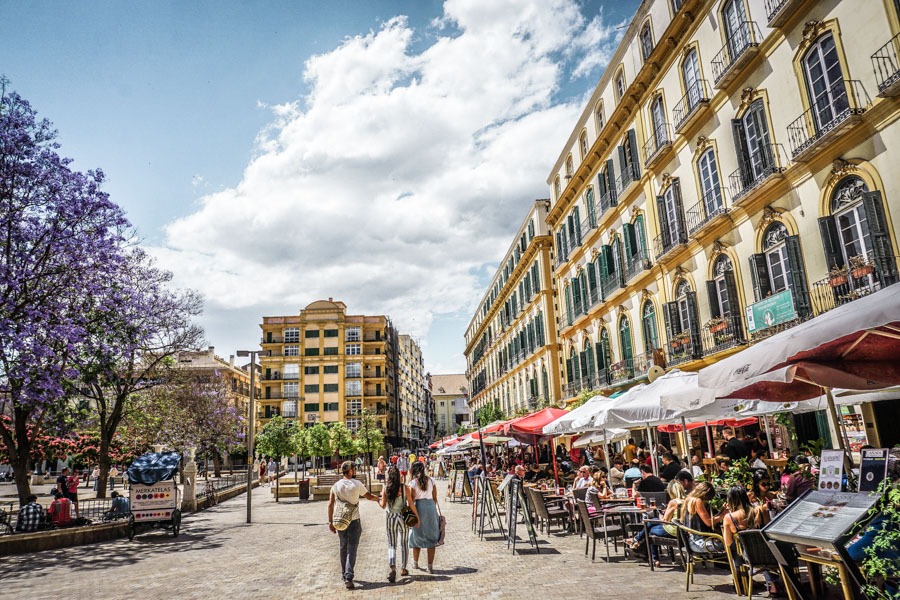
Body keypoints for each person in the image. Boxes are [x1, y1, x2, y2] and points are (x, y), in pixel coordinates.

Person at [328, 460, 379, 590]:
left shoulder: (336, 485)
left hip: (340, 521)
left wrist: (330, 522)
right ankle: (349, 576)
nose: (356, 471)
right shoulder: (357, 484)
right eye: (354, 469)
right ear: (350, 471)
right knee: (352, 548)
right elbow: (368, 496)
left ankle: (344, 574)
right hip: (354, 520)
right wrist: (378, 498)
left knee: (343, 547)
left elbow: (330, 504)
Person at [723, 486, 778, 595]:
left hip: (749, 557)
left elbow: (728, 542)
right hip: (769, 554)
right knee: (762, 550)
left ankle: (741, 582)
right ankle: (773, 584)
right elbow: (767, 531)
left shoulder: (729, 517)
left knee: (736, 550)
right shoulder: (759, 511)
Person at [629, 478, 689, 566]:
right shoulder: (687, 501)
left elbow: (665, 521)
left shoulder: (673, 502)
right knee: (652, 524)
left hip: (673, 530)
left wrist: (661, 514)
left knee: (650, 529)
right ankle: (636, 541)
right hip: (684, 530)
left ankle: (653, 558)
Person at [407, 461, 440, 574]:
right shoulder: (431, 481)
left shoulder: (412, 483)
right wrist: (430, 508)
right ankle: (430, 566)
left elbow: (411, 500)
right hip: (430, 508)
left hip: (418, 509)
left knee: (417, 536)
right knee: (432, 537)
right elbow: (435, 498)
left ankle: (415, 563)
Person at [379, 466, 409, 583]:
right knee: (404, 542)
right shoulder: (404, 488)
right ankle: (404, 568)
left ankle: (392, 567)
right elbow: (410, 502)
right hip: (402, 516)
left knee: (392, 544)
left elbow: (382, 505)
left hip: (391, 517)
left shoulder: (386, 488)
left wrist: (377, 500)